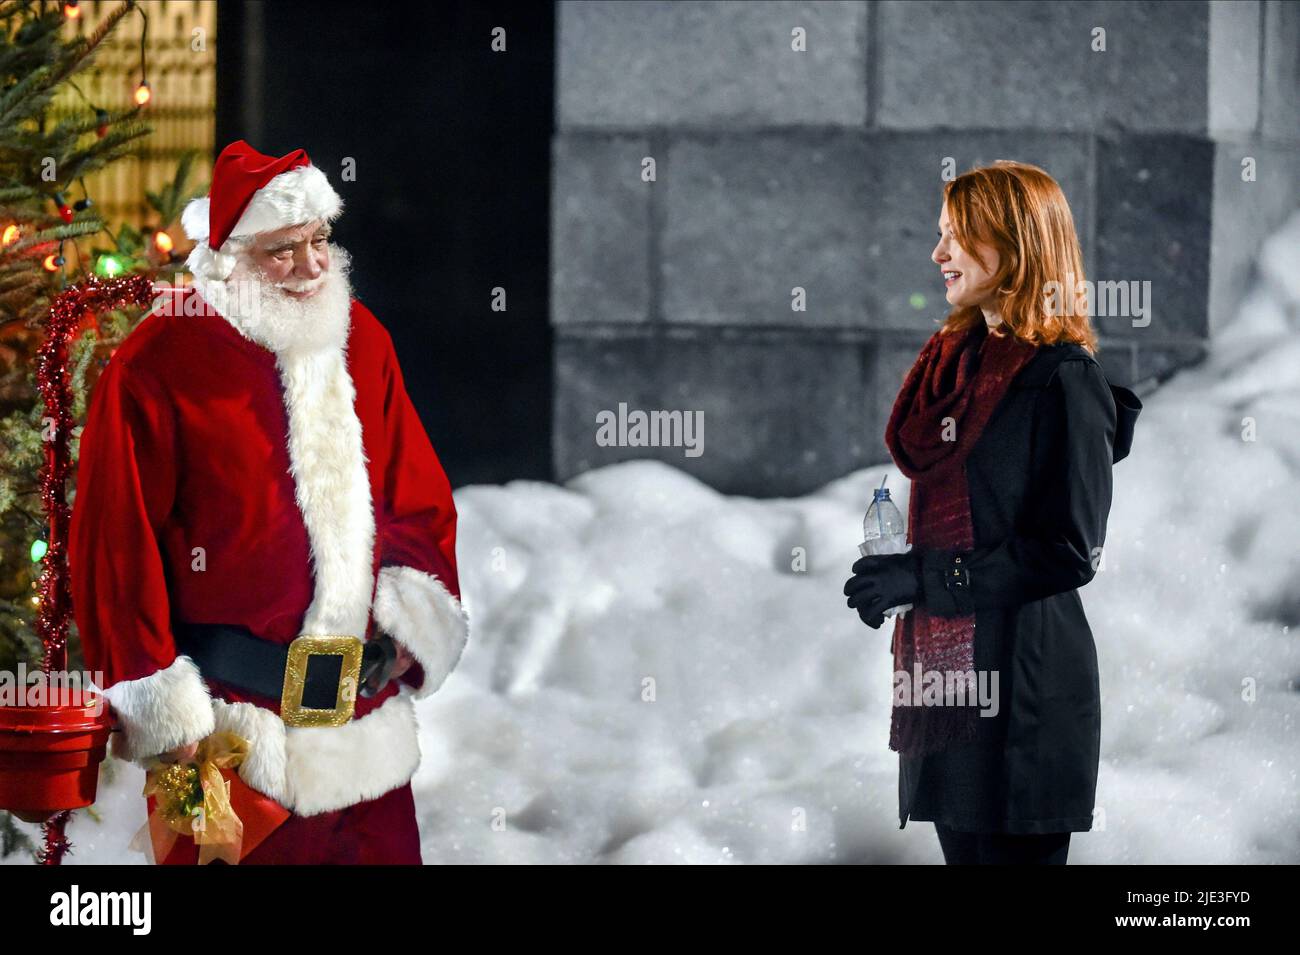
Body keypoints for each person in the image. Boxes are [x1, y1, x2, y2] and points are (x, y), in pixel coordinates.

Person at [69, 140, 469, 864]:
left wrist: (411, 614)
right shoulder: (158, 364)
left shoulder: (363, 339)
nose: (314, 266)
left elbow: (416, 495)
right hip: (227, 739)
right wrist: (158, 698)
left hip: (364, 735)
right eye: (285, 250)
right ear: (229, 253)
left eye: (320, 239)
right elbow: (115, 544)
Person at [843, 161, 1142, 865]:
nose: (937, 253)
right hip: (951, 693)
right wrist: (900, 573)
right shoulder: (958, 367)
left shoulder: (1063, 379)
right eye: (940, 235)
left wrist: (924, 578)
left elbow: (1069, 551)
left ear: (1015, 246)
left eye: (959, 237)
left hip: (1025, 699)